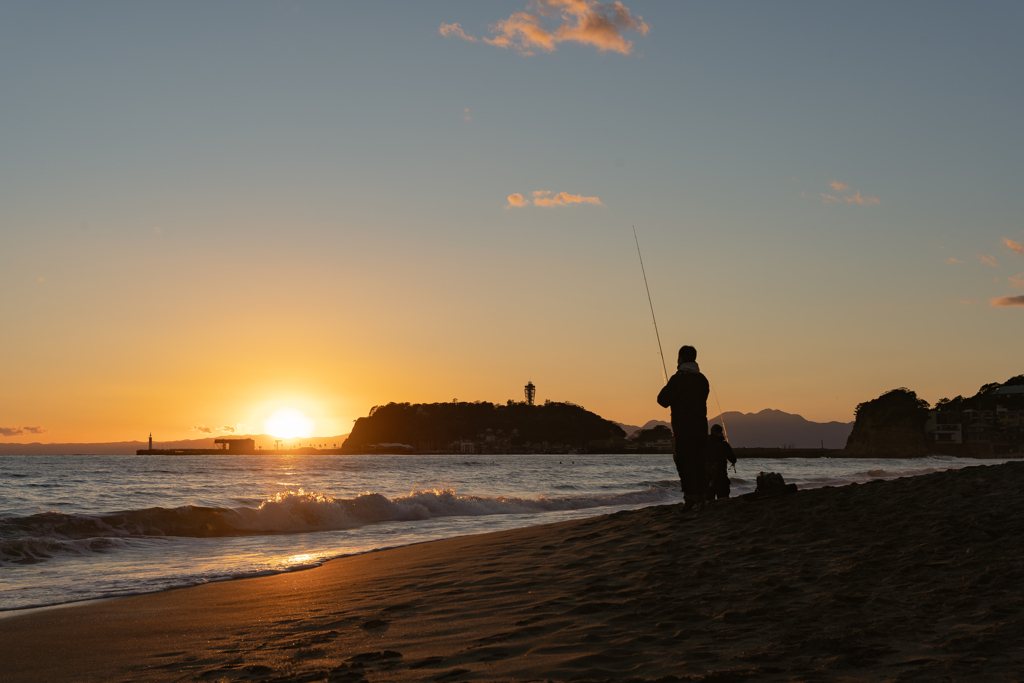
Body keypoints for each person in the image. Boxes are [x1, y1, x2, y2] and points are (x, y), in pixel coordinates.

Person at [657, 345, 710, 510]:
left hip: (683, 430)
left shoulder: (678, 379)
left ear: (680, 359)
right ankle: (702, 497)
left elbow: (662, 400)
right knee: (699, 463)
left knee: (685, 464)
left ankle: (690, 499)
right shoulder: (702, 380)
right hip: (701, 428)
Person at [705, 423, 736, 500]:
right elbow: (733, 459)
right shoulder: (724, 445)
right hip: (721, 475)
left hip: (708, 476)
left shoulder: (705, 444)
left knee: (708, 498)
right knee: (723, 497)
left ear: (711, 432)